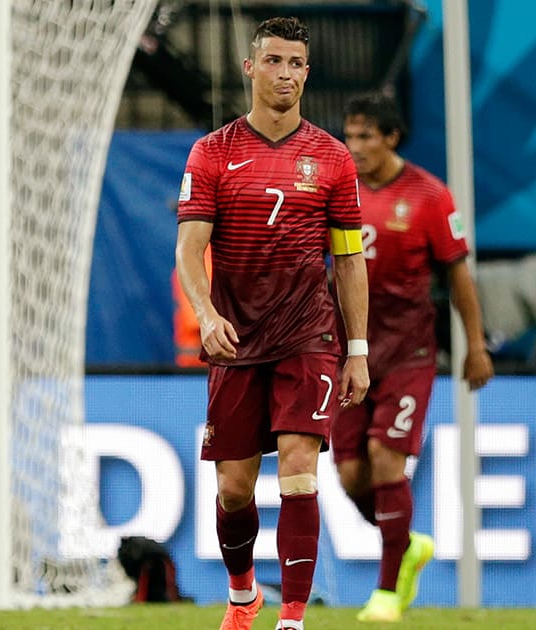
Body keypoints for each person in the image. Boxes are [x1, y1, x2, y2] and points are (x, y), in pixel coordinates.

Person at [175, 16, 369, 630]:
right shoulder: (213, 151)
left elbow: (347, 259)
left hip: (309, 336)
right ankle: (242, 596)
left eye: (296, 64)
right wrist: (205, 315)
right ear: (250, 68)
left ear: (307, 73)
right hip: (235, 337)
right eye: (274, 61)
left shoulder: (333, 159)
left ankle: (291, 619)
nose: (285, 74)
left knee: (299, 474)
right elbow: (188, 248)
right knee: (234, 489)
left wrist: (357, 348)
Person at [334, 93, 494, 623]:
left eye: (365, 137)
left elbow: (458, 275)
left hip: (409, 352)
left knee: (385, 459)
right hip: (349, 353)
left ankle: (386, 593)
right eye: (350, 136)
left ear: (391, 137)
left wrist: (475, 345)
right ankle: (407, 547)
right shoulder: (340, 189)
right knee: (352, 477)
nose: (354, 147)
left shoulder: (428, 196)